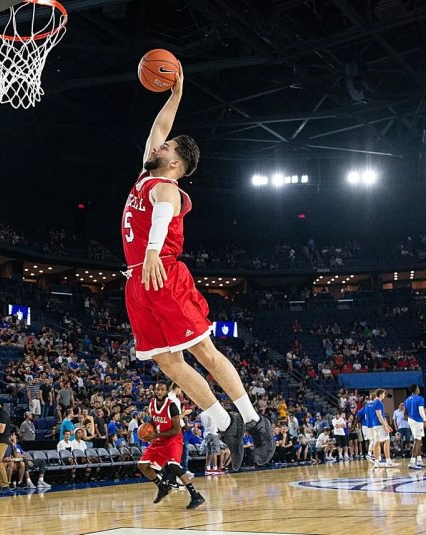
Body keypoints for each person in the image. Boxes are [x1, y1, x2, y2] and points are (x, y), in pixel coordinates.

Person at [120, 67, 272, 471]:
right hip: (137, 280)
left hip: (163, 271)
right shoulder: (146, 174)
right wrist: (176, 93)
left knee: (203, 350)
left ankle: (257, 422)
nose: (159, 145)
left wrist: (153, 250)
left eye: (166, 147)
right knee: (167, 362)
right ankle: (226, 424)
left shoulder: (166, 187)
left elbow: (163, 215)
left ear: (176, 164)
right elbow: (160, 125)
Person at [137, 381, 204, 509]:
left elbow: (176, 430)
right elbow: (154, 419)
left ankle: (196, 495)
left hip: (173, 439)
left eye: (162, 390)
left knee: (173, 466)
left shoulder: (172, 406)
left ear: (167, 391)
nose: (159, 392)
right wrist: (148, 428)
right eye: (158, 389)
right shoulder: (151, 403)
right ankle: (162, 487)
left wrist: (155, 435)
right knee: (142, 465)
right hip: (159, 438)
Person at [404, 384, 426, 470]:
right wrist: (425, 419)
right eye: (418, 388)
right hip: (417, 420)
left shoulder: (407, 400)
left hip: (411, 420)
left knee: (418, 439)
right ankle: (412, 462)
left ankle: (419, 460)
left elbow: (405, 414)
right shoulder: (420, 398)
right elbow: (421, 410)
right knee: (417, 440)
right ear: (416, 389)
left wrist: (410, 419)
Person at [372, 389, 396, 468]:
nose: (384, 395)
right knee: (387, 441)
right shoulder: (379, 403)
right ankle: (388, 460)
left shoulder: (374, 403)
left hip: (375, 425)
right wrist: (385, 426)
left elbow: (381, 415)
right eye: (383, 394)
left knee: (377, 442)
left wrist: (387, 425)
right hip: (380, 425)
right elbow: (380, 416)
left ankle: (376, 462)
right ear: (380, 394)